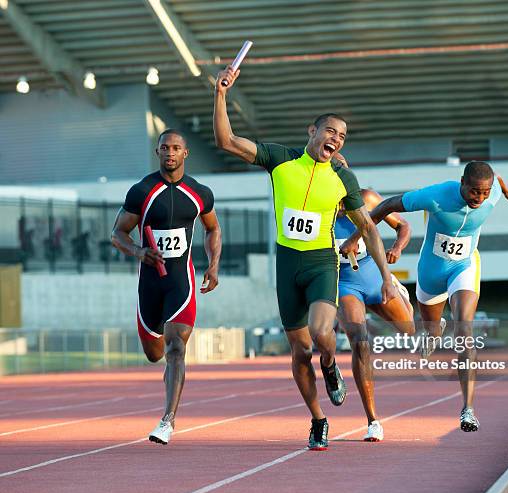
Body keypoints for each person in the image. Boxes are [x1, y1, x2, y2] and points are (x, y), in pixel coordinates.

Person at [213, 65, 397, 451]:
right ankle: (318, 419)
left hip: (320, 264)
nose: (337, 138)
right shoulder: (280, 160)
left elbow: (368, 227)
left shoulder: (343, 179)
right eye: (331, 130)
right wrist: (221, 94)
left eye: (343, 136)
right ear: (311, 132)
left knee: (320, 334)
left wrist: (386, 275)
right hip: (287, 265)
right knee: (299, 352)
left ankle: (331, 366)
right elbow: (228, 141)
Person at [341, 161, 508, 432]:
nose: (479, 198)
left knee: (464, 329)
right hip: (431, 272)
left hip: (463, 267)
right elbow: (387, 207)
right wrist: (356, 236)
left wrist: (506, 188)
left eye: (485, 192)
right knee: (429, 327)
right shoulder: (436, 195)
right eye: (474, 192)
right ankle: (433, 333)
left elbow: (496, 179)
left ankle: (468, 410)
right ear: (462, 183)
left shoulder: (493, 195)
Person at [111, 129, 221, 445]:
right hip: (149, 284)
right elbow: (117, 234)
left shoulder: (199, 193)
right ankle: (170, 374)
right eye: (164, 148)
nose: (169, 153)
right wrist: (139, 251)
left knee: (176, 348)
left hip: (180, 283)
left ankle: (167, 420)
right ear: (157, 152)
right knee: (153, 352)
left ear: (185, 153)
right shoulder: (141, 191)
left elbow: (213, 230)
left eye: (175, 148)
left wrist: (213, 265)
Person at [332, 162, 415, 441]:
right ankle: (373, 421)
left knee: (409, 332)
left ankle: (400, 293)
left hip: (372, 275)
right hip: (344, 283)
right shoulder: (318, 207)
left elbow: (403, 225)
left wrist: (397, 247)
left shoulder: (367, 198)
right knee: (360, 340)